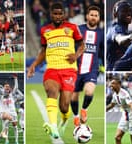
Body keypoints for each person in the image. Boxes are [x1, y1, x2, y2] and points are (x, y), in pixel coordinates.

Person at [27, 2, 85, 139]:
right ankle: (52, 125)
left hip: (69, 70)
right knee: (51, 92)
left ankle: (64, 121)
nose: (58, 16)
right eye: (55, 13)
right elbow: (43, 51)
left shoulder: (72, 28)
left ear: (64, 14)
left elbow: (82, 45)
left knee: (64, 106)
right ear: (51, 14)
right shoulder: (44, 30)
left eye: (60, 14)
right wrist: (33, 65)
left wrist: (76, 55)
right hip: (52, 68)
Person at [70, 5, 103, 127]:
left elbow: (104, 50)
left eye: (96, 15)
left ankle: (84, 109)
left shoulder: (101, 33)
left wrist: (104, 64)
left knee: (89, 91)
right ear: (87, 16)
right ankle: (76, 116)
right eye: (91, 15)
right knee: (74, 97)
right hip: (76, 69)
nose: (93, 17)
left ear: (98, 18)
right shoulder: (78, 30)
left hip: (92, 69)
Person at [106, 0, 132, 71]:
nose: (129, 13)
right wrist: (131, 36)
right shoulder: (115, 28)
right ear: (116, 14)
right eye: (124, 11)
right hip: (114, 69)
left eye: (130, 10)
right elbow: (119, 39)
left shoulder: (124, 30)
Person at [106, 77, 132, 144]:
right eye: (111, 83)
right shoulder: (115, 94)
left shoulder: (124, 93)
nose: (111, 85)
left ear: (119, 84)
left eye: (113, 83)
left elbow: (131, 105)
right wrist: (104, 110)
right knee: (117, 138)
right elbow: (112, 105)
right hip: (125, 115)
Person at [0, 74, 21, 144]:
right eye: (6, 87)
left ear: (10, 89)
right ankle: (6, 140)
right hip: (4, 114)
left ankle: (16, 141)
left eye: (8, 87)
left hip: (13, 113)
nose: (7, 87)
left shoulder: (12, 95)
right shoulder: (1, 96)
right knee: (6, 127)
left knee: (15, 127)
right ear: (3, 89)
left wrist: (16, 79)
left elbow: (16, 88)